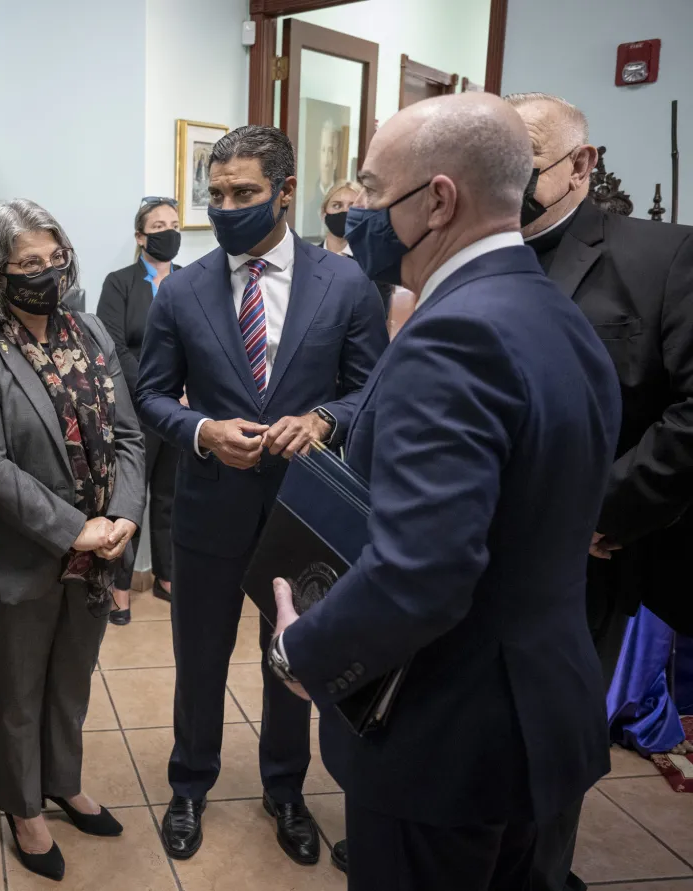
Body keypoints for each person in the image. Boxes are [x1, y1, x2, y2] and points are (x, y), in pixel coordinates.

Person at [270, 92, 622, 891]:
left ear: (438, 199)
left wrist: (304, 650)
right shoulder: (559, 314)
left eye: (368, 188)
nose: (355, 210)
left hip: (448, 739)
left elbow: (421, 572)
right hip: (543, 717)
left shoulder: (453, 336)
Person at [135, 125, 388, 866]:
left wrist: (322, 420)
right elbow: (151, 393)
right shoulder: (183, 288)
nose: (226, 207)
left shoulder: (344, 284)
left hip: (304, 510)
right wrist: (204, 428)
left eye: (243, 193)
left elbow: (369, 390)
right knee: (200, 657)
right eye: (214, 195)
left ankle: (285, 788)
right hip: (210, 507)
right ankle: (190, 784)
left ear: (284, 191)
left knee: (293, 653)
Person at [505, 90, 693, 891]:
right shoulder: (474, 252)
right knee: (483, 731)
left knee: (552, 737)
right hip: (479, 543)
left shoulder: (661, 257)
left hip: (587, 555)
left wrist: (596, 511)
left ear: (580, 164)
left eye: (525, 165)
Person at [0, 198, 146, 881]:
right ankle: (24, 806)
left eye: (54, 257)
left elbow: (128, 435)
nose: (46, 271)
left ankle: (63, 779)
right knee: (19, 688)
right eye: (28, 261)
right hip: (17, 553)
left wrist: (121, 516)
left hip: (95, 551)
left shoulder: (90, 330)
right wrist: (71, 526)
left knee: (70, 678)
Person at [96, 196, 184, 623]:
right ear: (140, 236)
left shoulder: (192, 280)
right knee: (129, 497)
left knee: (169, 495)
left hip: (181, 410)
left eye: (174, 223)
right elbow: (112, 345)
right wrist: (157, 390)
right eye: (158, 225)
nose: (168, 231)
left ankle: (168, 577)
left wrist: (184, 394)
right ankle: (120, 586)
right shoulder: (120, 283)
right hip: (135, 407)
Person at [320, 181, 395, 319]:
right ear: (324, 214)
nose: (345, 212)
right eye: (337, 205)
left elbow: (378, 320)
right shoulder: (305, 258)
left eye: (352, 206)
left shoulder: (376, 265)